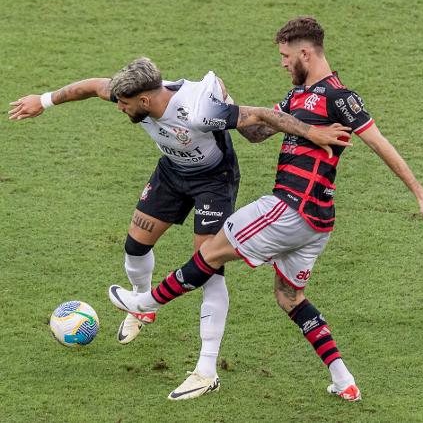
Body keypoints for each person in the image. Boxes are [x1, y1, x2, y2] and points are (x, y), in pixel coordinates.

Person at [108, 17, 423, 402]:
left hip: (290, 208)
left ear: (305, 52)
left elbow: (378, 141)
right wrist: (224, 103)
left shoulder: (337, 97)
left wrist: (419, 192)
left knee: (210, 252)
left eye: (286, 56)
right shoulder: (292, 100)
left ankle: (145, 303)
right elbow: (255, 132)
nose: (283, 63)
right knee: (289, 298)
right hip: (316, 223)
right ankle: (343, 378)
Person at [9, 57, 351, 400]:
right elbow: (89, 86)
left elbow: (260, 114)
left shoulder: (199, 110)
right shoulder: (128, 93)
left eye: (125, 105)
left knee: (208, 266)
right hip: (172, 174)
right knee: (135, 247)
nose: (120, 108)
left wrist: (310, 132)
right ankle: (141, 308)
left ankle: (206, 369)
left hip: (214, 182)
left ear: (144, 101)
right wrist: (44, 100)